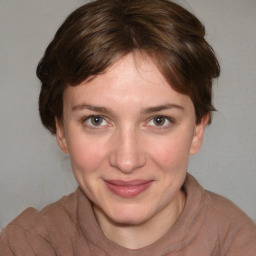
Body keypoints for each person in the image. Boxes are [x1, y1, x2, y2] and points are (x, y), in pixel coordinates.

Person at [0, 0, 255, 255]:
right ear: (62, 131)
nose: (126, 161)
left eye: (159, 120)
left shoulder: (240, 245)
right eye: (96, 120)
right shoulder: (25, 246)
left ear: (197, 130)